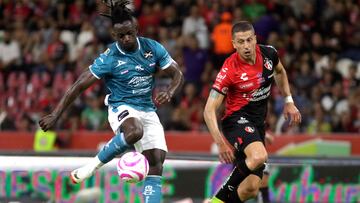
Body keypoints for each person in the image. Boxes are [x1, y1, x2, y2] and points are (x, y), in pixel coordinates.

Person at [38, 1, 183, 202]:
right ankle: (92, 167)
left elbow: (177, 74)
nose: (126, 38)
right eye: (121, 36)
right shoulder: (110, 58)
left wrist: (170, 91)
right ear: (114, 36)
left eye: (130, 33)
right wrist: (56, 113)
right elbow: (79, 85)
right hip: (121, 107)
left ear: (136, 29)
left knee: (156, 163)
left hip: (148, 110)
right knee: (135, 131)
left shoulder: (153, 47)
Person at [203, 21, 301, 203]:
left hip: (257, 124)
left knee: (251, 189)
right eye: (240, 42)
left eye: (249, 40)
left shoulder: (269, 54)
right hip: (235, 121)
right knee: (259, 156)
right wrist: (220, 143)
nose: (246, 46)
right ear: (233, 44)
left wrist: (288, 100)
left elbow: (280, 72)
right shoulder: (229, 69)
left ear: (255, 39)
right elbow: (209, 110)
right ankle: (217, 200)